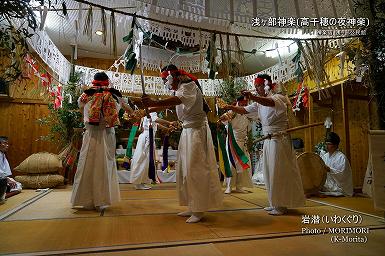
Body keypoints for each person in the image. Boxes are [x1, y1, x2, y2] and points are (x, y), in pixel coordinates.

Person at [142, 64, 223, 223]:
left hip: (196, 131)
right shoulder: (180, 89)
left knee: (196, 168)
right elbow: (175, 102)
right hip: (187, 131)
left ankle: (199, 209)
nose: (165, 82)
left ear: (173, 77)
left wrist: (153, 102)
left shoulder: (189, 86)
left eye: (165, 79)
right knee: (185, 169)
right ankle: (192, 205)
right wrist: (149, 106)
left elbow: (177, 100)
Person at [222, 74, 305, 215]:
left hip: (279, 139)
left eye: (258, 86)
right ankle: (274, 202)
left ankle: (281, 205)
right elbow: (244, 110)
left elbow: (270, 103)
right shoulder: (259, 102)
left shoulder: (278, 97)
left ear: (267, 85)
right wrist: (230, 107)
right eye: (255, 87)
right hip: (268, 139)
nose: (257, 89)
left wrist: (252, 97)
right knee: (269, 172)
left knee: (278, 171)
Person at [71, 72, 133, 211]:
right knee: (105, 165)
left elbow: (81, 108)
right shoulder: (115, 95)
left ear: (94, 81)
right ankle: (102, 200)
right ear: (107, 81)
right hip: (107, 133)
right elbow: (128, 110)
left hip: (91, 133)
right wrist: (135, 113)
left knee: (87, 165)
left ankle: (85, 199)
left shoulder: (86, 95)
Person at [219, 96, 253, 194]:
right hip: (232, 142)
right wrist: (224, 117)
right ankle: (229, 186)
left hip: (243, 142)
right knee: (231, 164)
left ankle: (239, 186)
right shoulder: (232, 112)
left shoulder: (247, 113)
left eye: (245, 104)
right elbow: (223, 118)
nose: (244, 105)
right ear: (238, 103)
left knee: (243, 164)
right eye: (242, 104)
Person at [130, 112, 173, 190]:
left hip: (148, 137)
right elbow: (156, 119)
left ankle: (142, 181)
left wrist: (166, 129)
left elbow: (155, 124)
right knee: (142, 160)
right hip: (147, 137)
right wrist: (169, 122)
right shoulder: (151, 111)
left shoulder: (149, 112)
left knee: (147, 161)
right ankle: (137, 182)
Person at [320, 132, 353, 197]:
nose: (326, 146)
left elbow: (342, 174)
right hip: (328, 184)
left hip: (339, 186)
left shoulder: (341, 157)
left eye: (329, 144)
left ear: (335, 145)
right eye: (326, 144)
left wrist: (329, 169)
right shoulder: (325, 156)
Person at [0, 136, 22, 204]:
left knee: (18, 185)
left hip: (2, 178)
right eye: (5, 143)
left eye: (7, 143)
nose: (7, 145)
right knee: (5, 182)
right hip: (1, 179)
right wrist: (6, 179)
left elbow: (5, 171)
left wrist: (8, 179)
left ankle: (4, 192)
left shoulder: (2, 155)